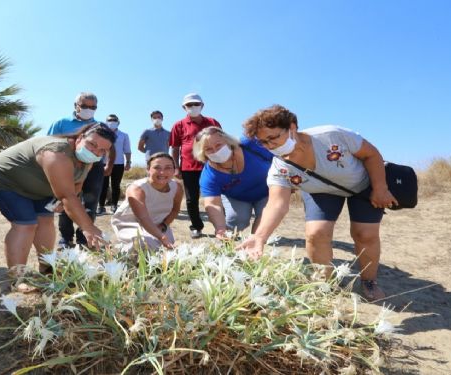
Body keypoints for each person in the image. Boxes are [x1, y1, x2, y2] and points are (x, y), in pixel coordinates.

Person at [237, 105, 397, 301]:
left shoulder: (331, 135)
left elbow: (371, 154)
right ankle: (324, 284)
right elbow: (276, 204)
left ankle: (369, 281)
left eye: (274, 137)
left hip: (362, 185)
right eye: (263, 142)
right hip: (320, 192)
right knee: (315, 233)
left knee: (365, 234)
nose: (270, 146)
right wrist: (259, 237)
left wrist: (380, 188)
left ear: (292, 127)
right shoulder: (280, 168)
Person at [0, 123, 115, 290]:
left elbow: (76, 185)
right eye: (92, 144)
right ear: (79, 138)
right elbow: (67, 196)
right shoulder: (56, 153)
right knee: (26, 224)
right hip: (5, 180)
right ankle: (17, 279)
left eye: (102, 150)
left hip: (38, 186)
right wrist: (88, 227)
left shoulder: (88, 159)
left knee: (45, 221)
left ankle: (46, 268)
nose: (96, 152)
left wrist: (61, 201)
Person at [47, 92, 113, 248]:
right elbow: (48, 144)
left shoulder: (100, 126)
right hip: (67, 166)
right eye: (84, 106)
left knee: (91, 202)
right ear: (75, 105)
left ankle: (84, 238)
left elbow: (109, 148)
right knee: (68, 198)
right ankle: (66, 238)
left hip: (94, 166)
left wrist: (108, 164)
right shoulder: (60, 123)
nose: (89, 109)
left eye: (93, 107)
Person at [192, 127, 273, 239]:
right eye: (208, 149)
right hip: (237, 197)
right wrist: (220, 228)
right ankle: (227, 246)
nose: (215, 151)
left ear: (228, 141)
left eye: (218, 145)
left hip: (268, 191)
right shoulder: (209, 175)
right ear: (203, 154)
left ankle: (255, 244)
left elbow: (279, 155)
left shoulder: (250, 144)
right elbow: (213, 204)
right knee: (237, 219)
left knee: (266, 216)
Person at [169, 93, 222, 239]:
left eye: (196, 104)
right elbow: (174, 148)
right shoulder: (178, 125)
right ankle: (196, 227)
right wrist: (176, 167)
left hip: (211, 166)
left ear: (202, 106)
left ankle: (222, 228)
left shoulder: (212, 122)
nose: (193, 107)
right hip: (188, 168)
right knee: (191, 199)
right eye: (189, 105)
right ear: (184, 107)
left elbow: (222, 142)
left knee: (215, 197)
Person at [111, 153, 183, 250]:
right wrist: (162, 237)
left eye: (168, 168)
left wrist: (164, 225)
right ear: (148, 170)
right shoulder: (137, 188)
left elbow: (175, 210)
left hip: (158, 224)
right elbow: (143, 217)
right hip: (131, 223)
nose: (162, 172)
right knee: (144, 244)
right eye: (157, 167)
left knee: (163, 251)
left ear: (174, 171)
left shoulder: (177, 188)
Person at [98, 114, 131, 214]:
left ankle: (114, 205)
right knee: (102, 185)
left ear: (118, 122)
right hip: (103, 163)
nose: (112, 121)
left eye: (114, 120)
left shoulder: (124, 135)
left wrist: (128, 162)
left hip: (118, 164)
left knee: (115, 185)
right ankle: (101, 206)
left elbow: (127, 150)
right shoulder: (101, 134)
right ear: (106, 122)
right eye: (109, 120)